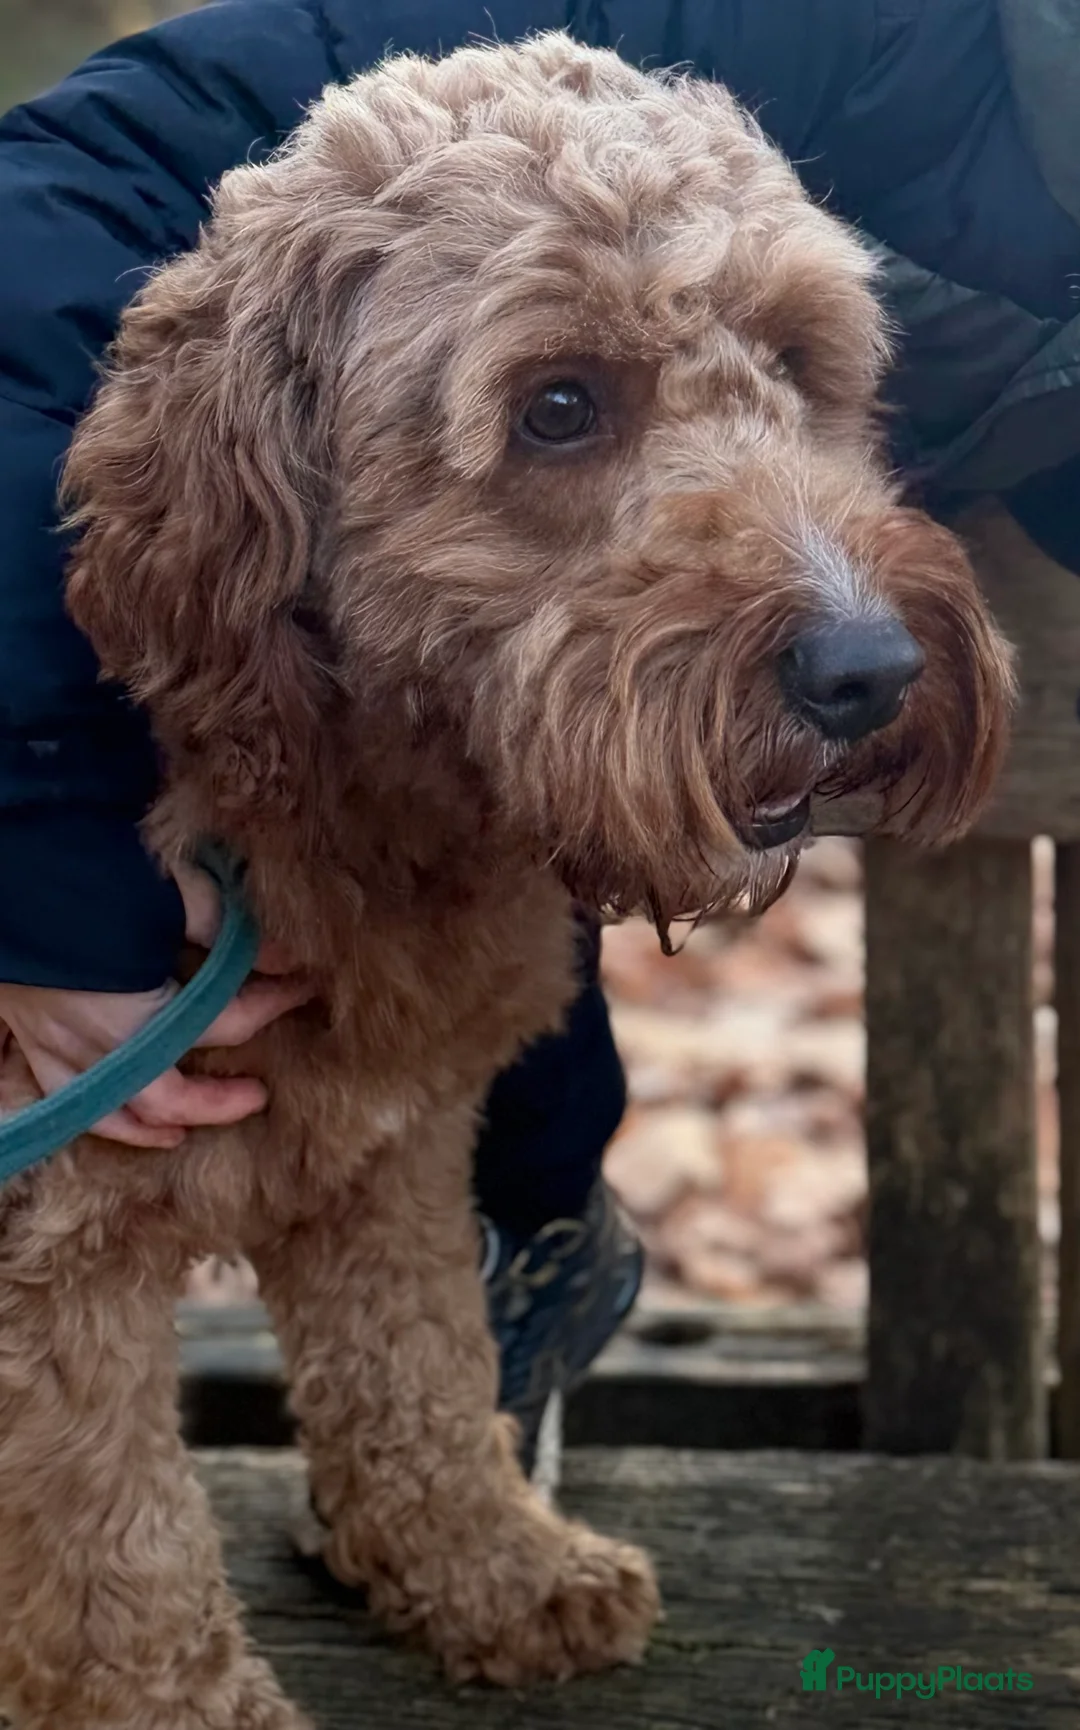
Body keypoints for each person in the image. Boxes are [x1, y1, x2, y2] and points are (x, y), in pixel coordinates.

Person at [1, 0, 1078, 1463]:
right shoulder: (836, 28)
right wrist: (47, 868)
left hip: (450, 850)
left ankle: (478, 1375)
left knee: (432, 1108)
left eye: (796, 364)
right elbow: (40, 221)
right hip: (166, 824)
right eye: (566, 407)